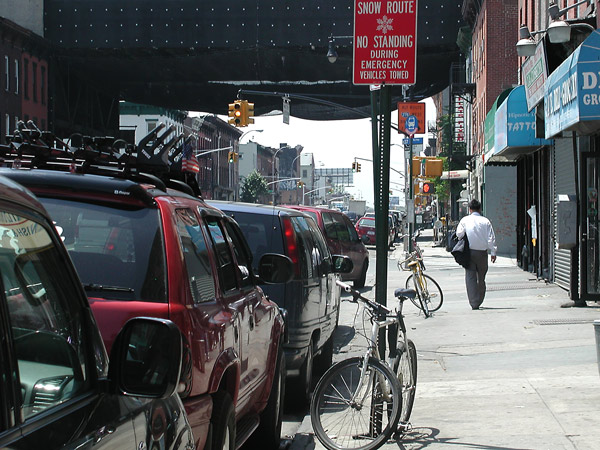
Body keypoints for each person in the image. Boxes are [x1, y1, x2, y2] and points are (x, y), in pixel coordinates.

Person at [456, 199, 497, 310]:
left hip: (469, 253)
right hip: (482, 253)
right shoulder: (486, 221)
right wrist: (493, 252)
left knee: (470, 277)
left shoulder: (465, 220)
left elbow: (459, 234)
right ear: (480, 209)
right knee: (481, 277)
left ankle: (474, 302)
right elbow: (491, 238)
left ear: (469, 209)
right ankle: (480, 298)